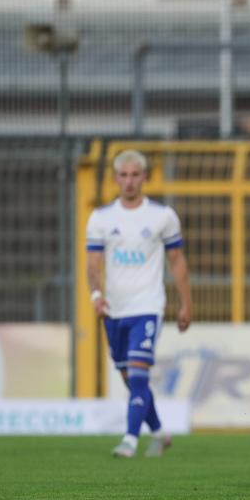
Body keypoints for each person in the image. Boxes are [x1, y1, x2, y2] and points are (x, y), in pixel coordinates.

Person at [85, 149, 192, 458]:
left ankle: (130, 439)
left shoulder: (162, 216)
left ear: (145, 177)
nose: (129, 181)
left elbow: (177, 262)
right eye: (123, 175)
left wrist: (186, 304)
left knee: (138, 374)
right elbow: (92, 265)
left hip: (147, 305)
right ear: (116, 178)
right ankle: (159, 431)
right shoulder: (101, 218)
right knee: (131, 379)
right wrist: (96, 294)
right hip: (114, 309)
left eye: (135, 175)